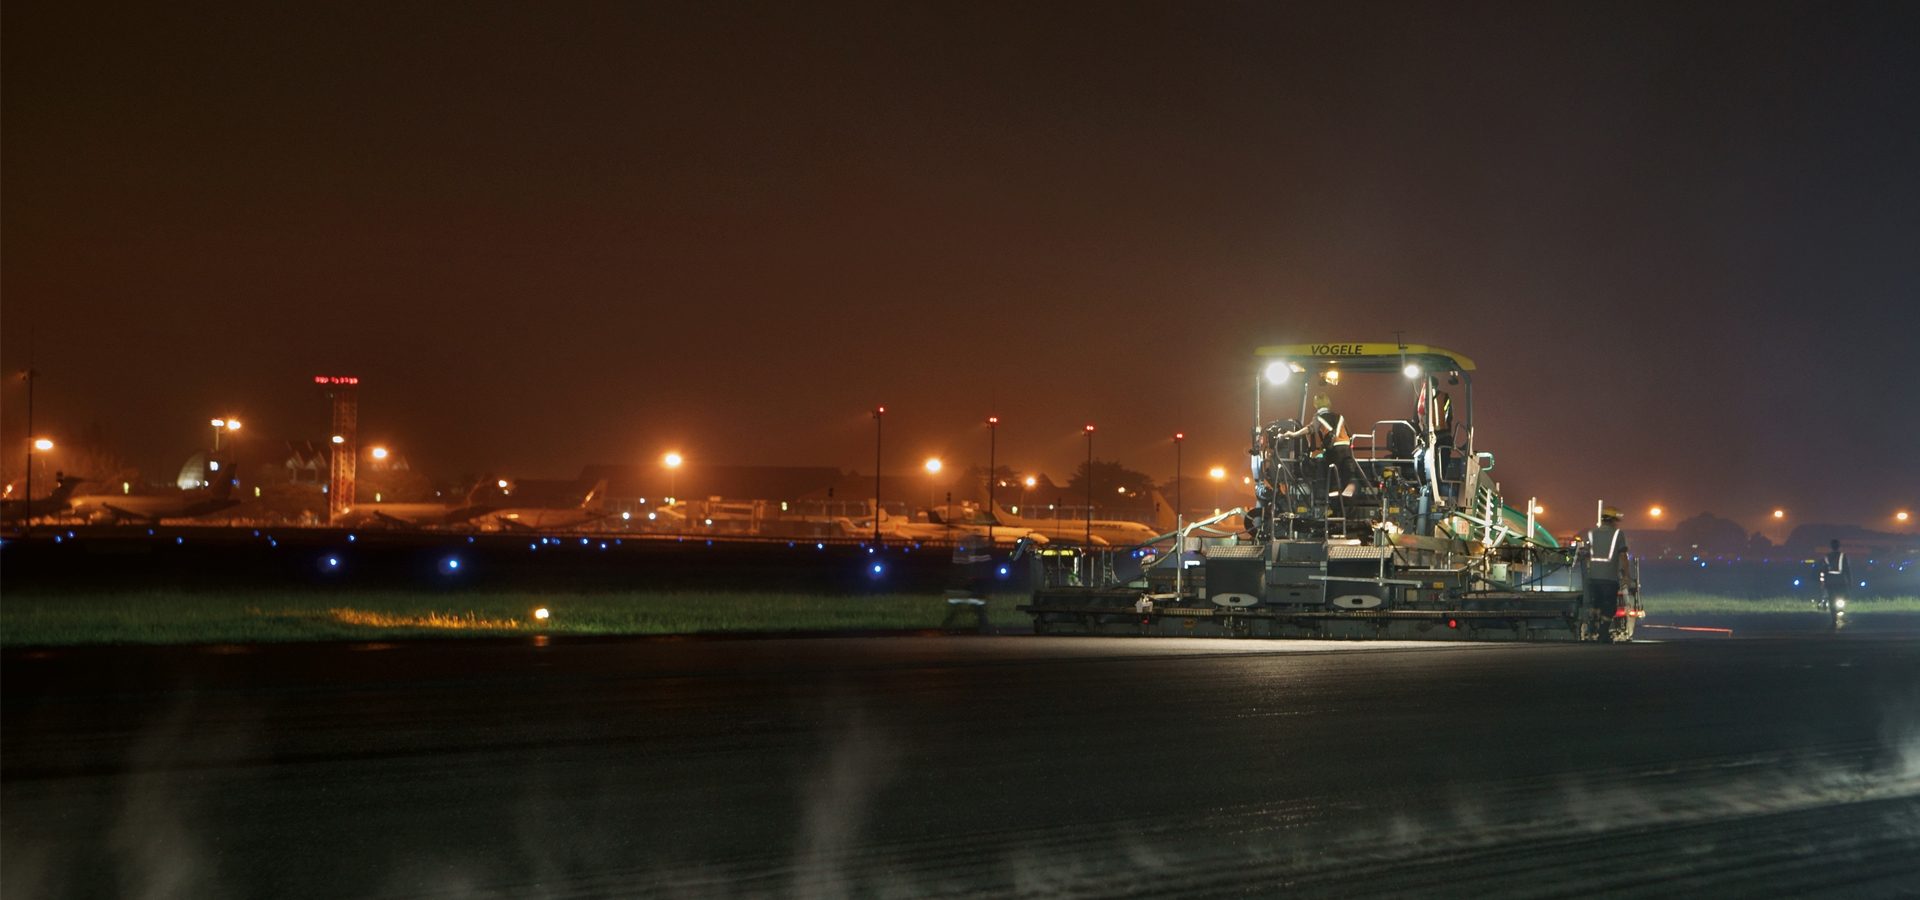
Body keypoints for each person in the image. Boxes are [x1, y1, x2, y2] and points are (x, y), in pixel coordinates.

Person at [1281, 394, 1363, 497]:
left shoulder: (1318, 417)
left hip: (1334, 448)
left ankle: (1331, 493)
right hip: (1346, 447)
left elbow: (1310, 429)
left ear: (1316, 404)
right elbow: (1349, 434)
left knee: (1328, 469)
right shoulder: (1339, 416)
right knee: (1346, 471)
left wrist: (1293, 434)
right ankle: (1349, 487)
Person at [1583, 507, 1630, 624]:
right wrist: (1626, 575)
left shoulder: (1591, 534)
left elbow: (1585, 555)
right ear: (1613, 520)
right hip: (1610, 578)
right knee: (1609, 607)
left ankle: (1593, 625)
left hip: (1593, 577)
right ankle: (1603, 634)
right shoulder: (1618, 534)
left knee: (1596, 603)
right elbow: (1623, 556)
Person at [1819, 539, 1851, 613]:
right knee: (1841, 597)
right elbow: (1847, 570)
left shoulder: (1827, 556)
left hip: (1830, 581)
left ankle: (1834, 618)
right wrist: (1849, 581)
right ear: (1839, 546)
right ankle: (1840, 612)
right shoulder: (1843, 556)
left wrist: (1823, 582)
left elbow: (1823, 570)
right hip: (1840, 580)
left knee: (1831, 599)